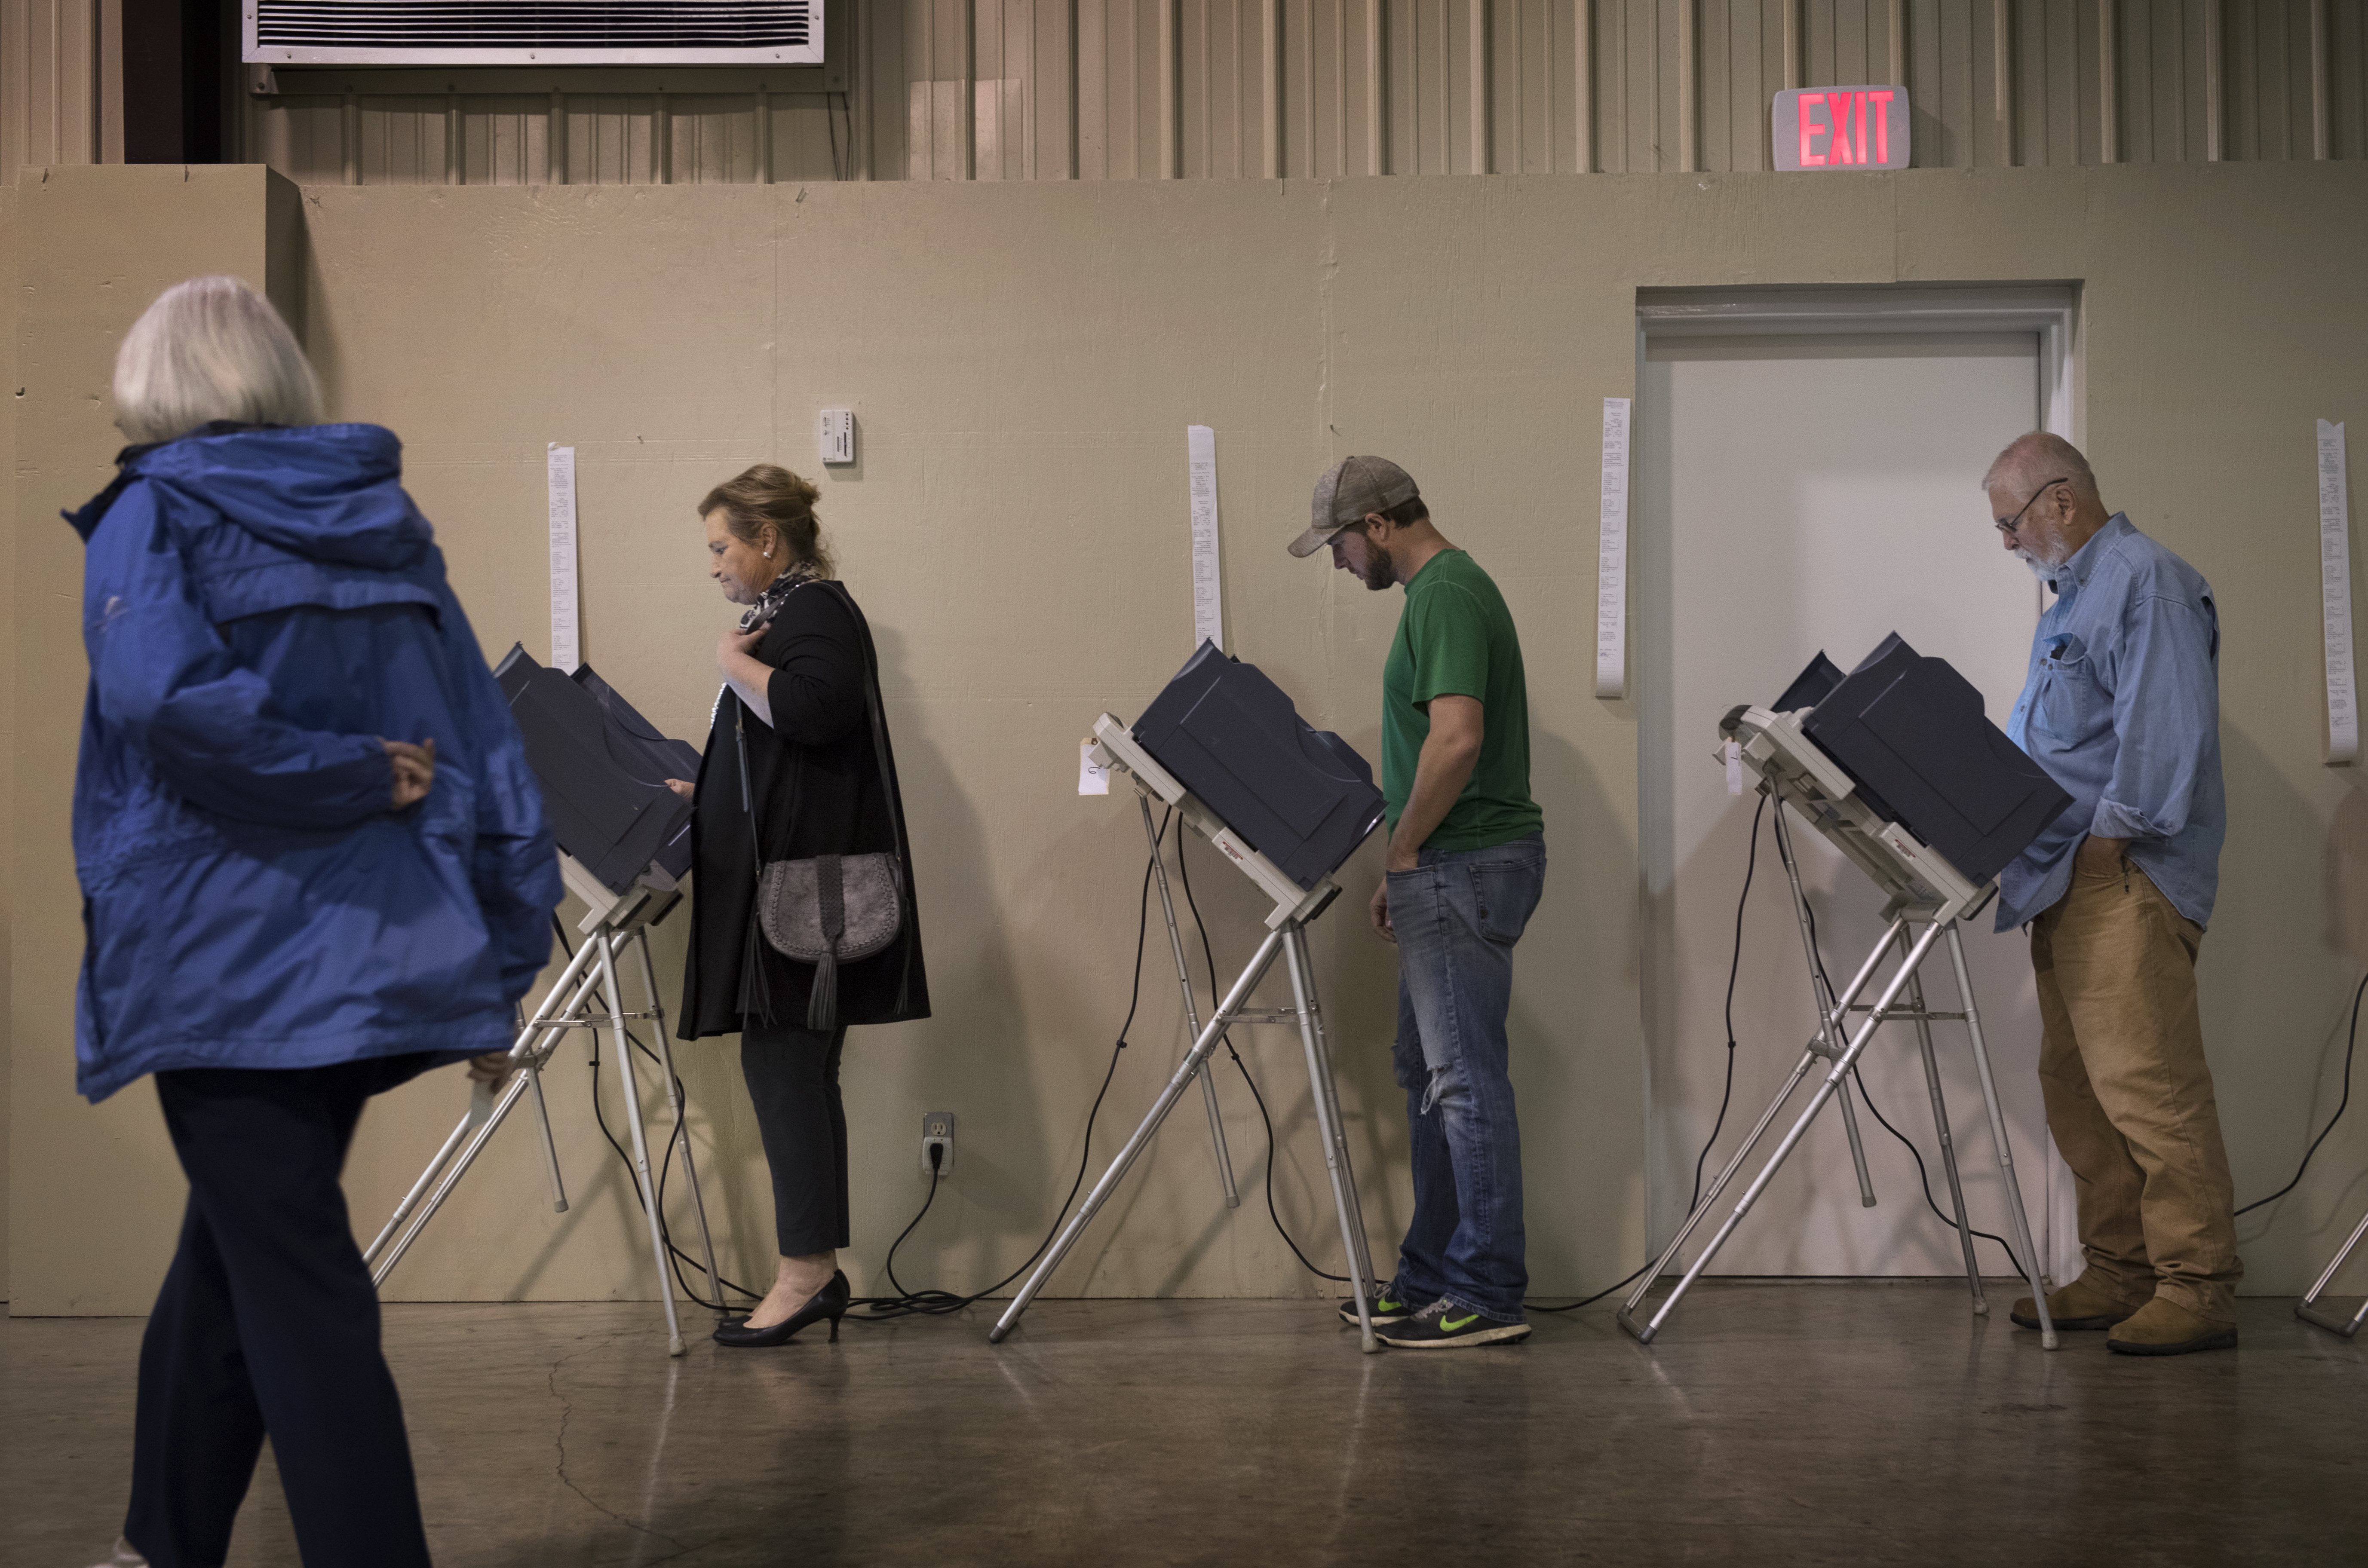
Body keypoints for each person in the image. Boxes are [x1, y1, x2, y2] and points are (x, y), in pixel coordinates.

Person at [70, 276, 560, 1568]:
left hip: (217, 971)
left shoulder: (153, 511)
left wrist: (338, 774)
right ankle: (162, 1541)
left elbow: (162, 700)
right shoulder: (386, 525)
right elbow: (490, 753)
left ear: (156, 384)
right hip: (370, 965)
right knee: (238, 1253)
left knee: (295, 1284)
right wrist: (505, 954)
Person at [665, 464, 929, 1348]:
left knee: (787, 1076)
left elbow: (816, 714)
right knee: (796, 1078)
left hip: (800, 906)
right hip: (796, 898)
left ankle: (806, 1274)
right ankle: (812, 1269)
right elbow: (784, 752)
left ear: (767, 541)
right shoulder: (799, 613)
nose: (714, 566)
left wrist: (733, 661)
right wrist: (703, 785)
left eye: (721, 547)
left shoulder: (811, 614)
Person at [1986, 431, 2239, 1356]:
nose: (2007, 544)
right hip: (2061, 880)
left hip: (2119, 876)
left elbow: (2164, 735)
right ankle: (2123, 1269)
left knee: (2150, 1087)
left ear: (2060, 501)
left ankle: (2199, 1284)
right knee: (2077, 1089)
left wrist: (2105, 847)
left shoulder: (2145, 579)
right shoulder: (2072, 599)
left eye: (2010, 523)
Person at [1287, 456, 1546, 1348]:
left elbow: (1458, 739)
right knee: (1431, 1080)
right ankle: (1433, 1274)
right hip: (1449, 865)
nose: (1338, 563)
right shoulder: (1442, 595)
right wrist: (1407, 868)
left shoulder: (1445, 593)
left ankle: (1487, 1290)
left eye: (1340, 545)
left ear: (1381, 525)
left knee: (1464, 1085)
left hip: (1464, 861)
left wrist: (1403, 853)